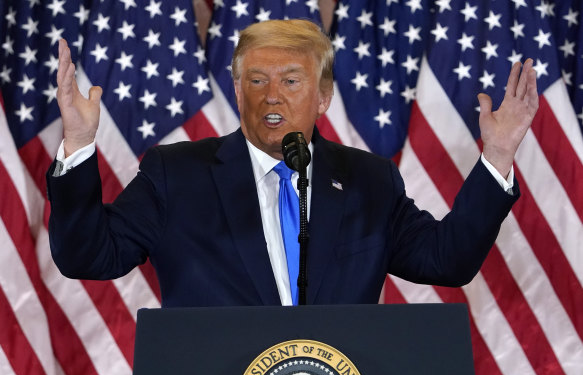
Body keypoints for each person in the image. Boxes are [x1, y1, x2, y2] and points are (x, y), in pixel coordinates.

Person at [48, 19, 538, 307]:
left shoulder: (369, 180)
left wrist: (496, 156)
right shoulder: (175, 174)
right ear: (237, 91)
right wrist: (77, 141)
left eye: (290, 81)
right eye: (256, 81)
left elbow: (446, 262)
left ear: (324, 96)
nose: (271, 96)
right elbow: (87, 257)